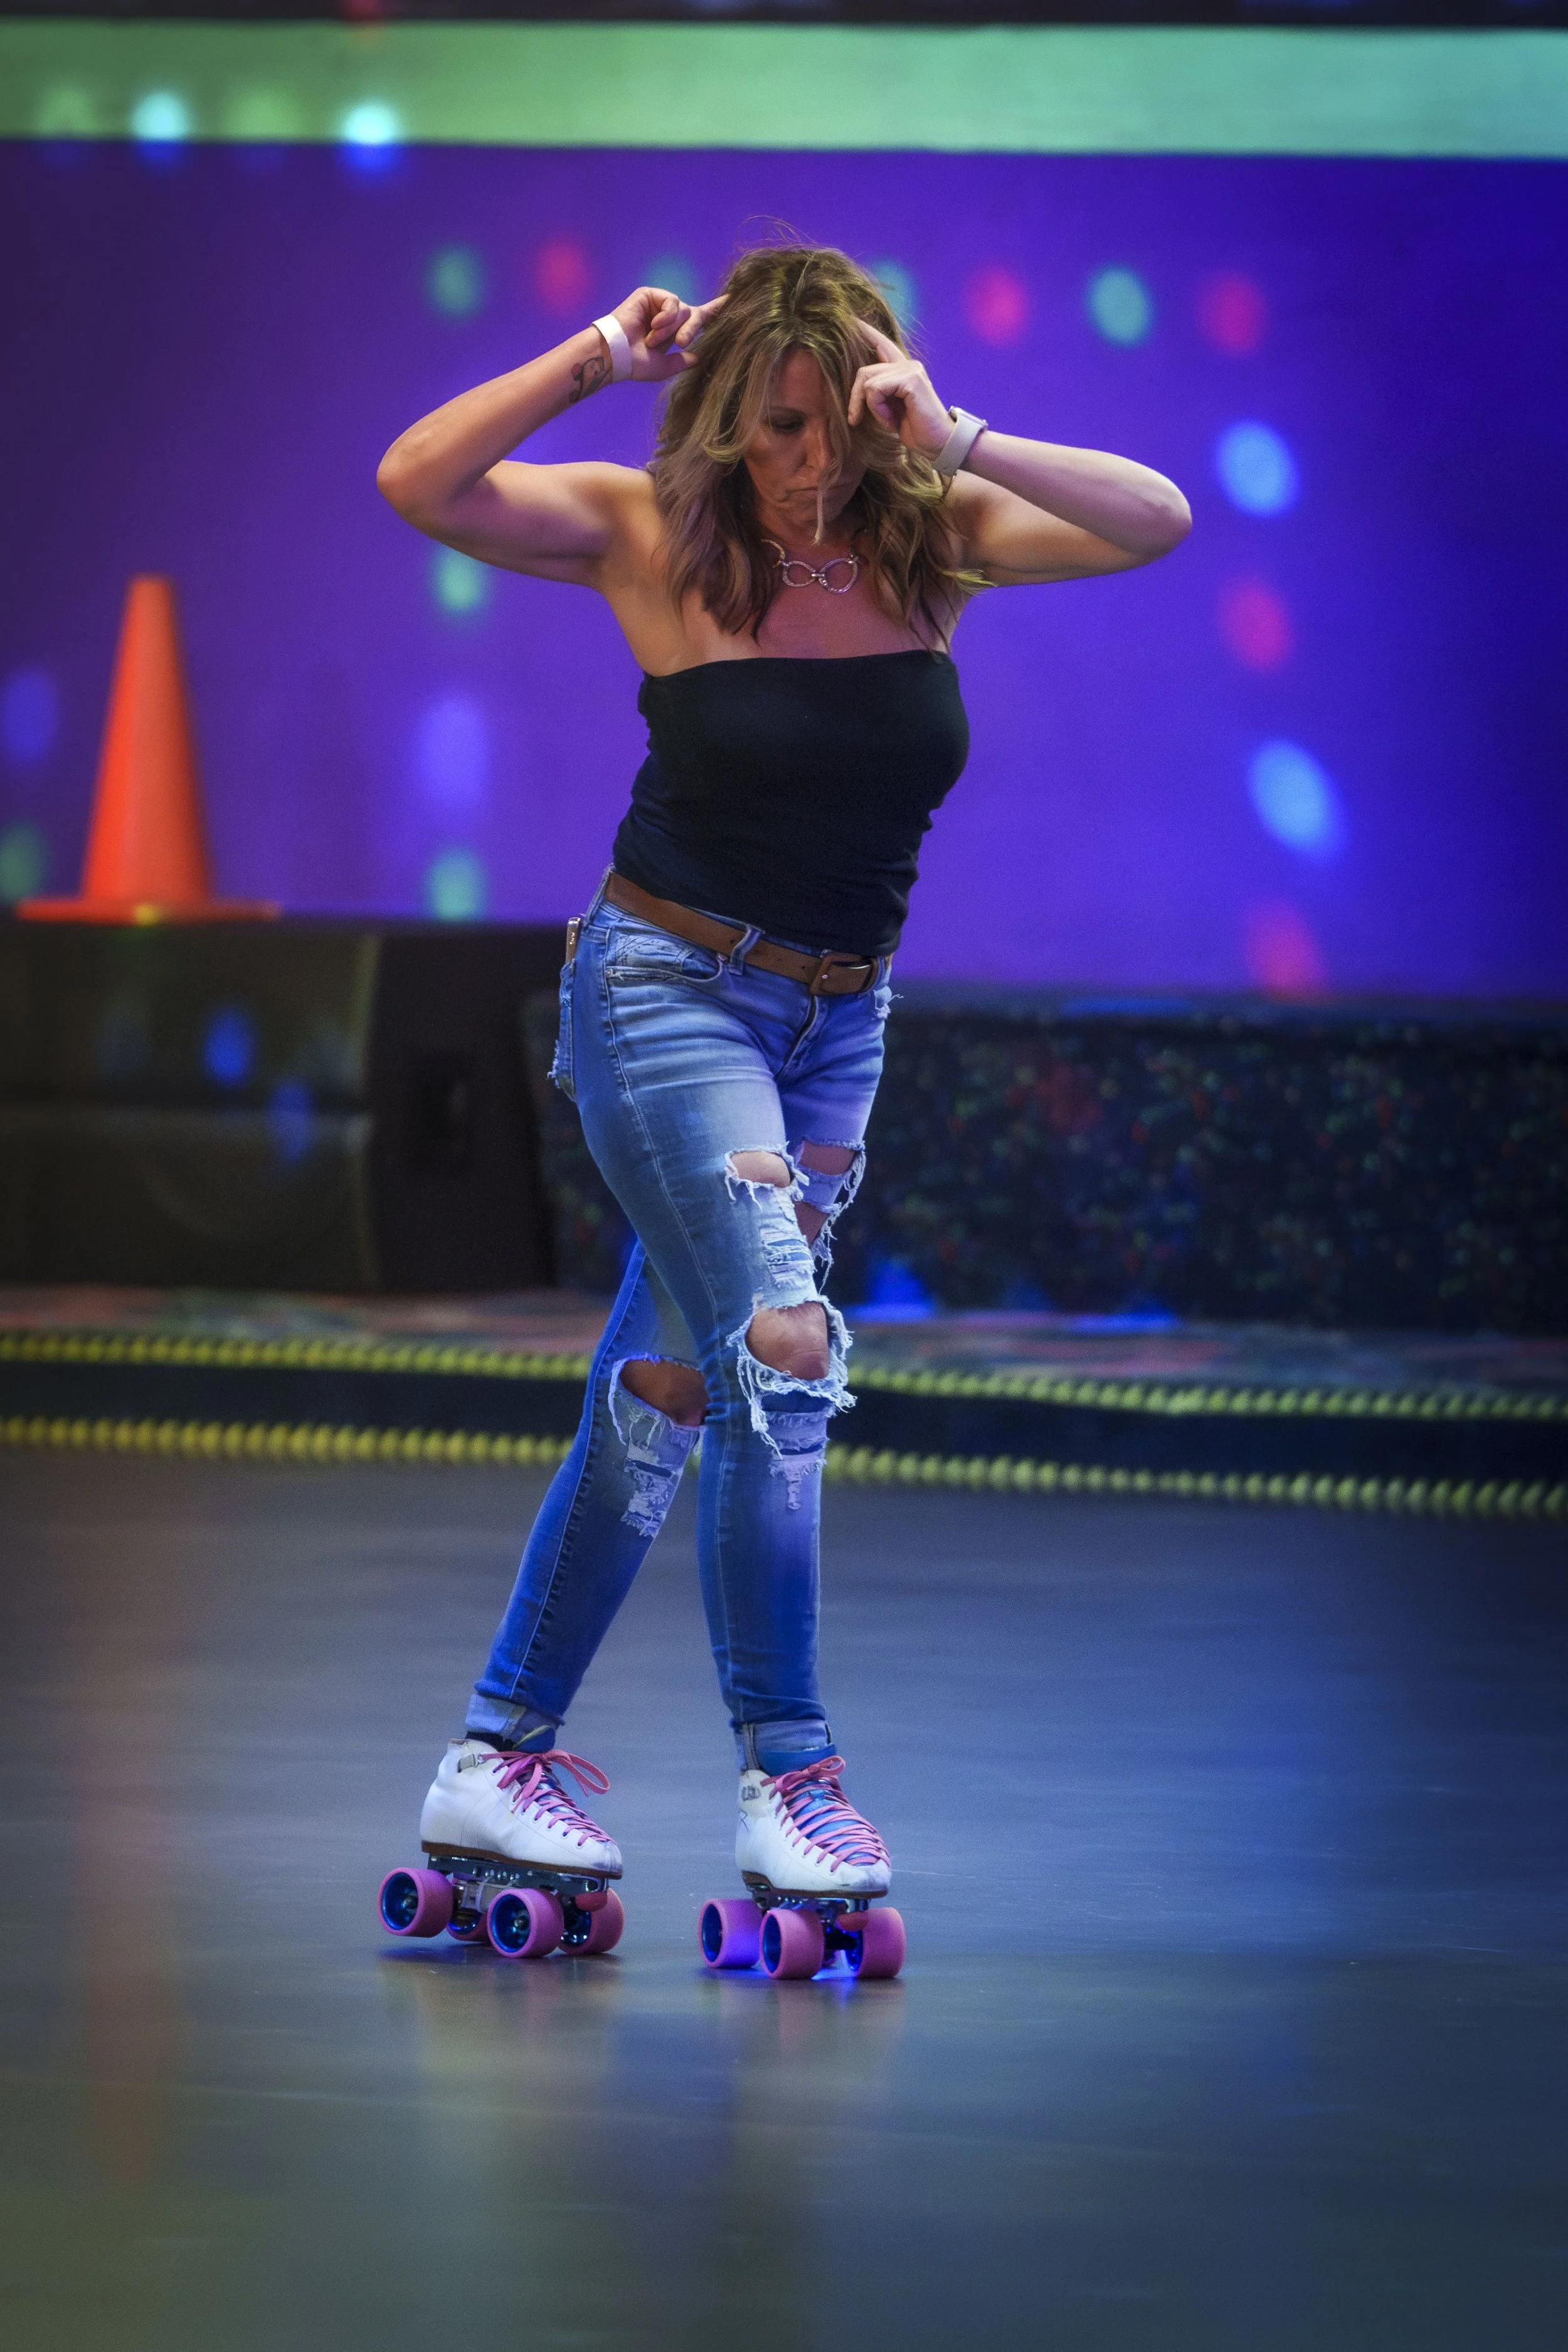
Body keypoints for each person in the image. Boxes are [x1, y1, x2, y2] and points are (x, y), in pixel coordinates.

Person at [376, 240, 1189, 1924]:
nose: (795, 459)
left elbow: (1153, 519)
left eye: (821, 424)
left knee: (663, 1396)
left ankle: (494, 1754)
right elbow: (417, 478)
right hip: (663, 991)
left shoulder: (931, 537)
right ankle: (790, 1779)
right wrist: (596, 352)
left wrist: (957, 436)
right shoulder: (653, 534)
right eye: (763, 426)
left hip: (836, 1023)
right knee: (781, 1348)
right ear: (720, 417)